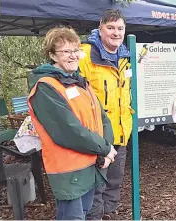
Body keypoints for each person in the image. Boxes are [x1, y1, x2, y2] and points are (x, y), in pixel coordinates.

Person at [27, 27, 117, 220]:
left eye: (76, 50)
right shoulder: (46, 87)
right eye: (66, 51)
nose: (73, 56)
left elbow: (103, 119)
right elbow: (69, 131)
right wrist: (105, 149)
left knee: (85, 214)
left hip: (90, 165)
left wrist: (107, 148)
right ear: (52, 55)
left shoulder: (80, 82)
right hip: (69, 172)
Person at [79, 9, 132, 220]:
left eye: (120, 28)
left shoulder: (126, 57)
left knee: (115, 181)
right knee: (96, 184)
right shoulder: (84, 55)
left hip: (120, 133)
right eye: (110, 28)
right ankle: (95, 217)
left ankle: (110, 213)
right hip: (96, 135)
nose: (116, 33)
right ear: (100, 29)